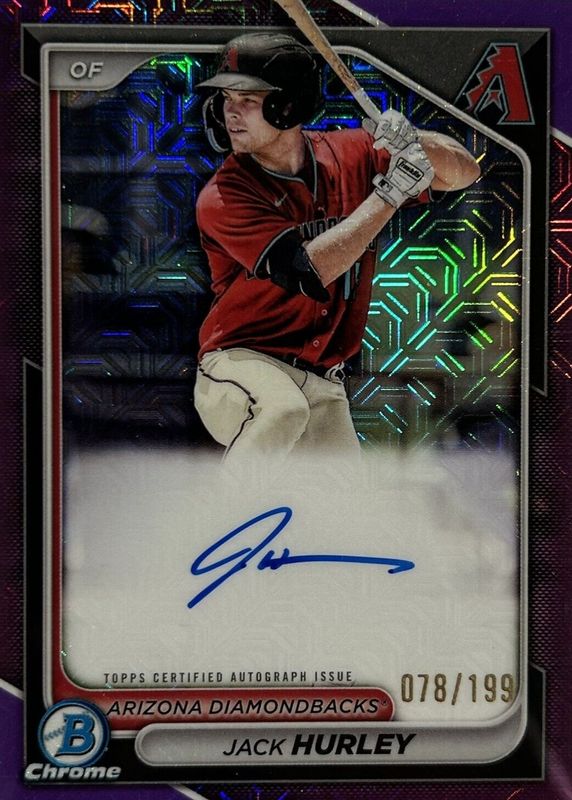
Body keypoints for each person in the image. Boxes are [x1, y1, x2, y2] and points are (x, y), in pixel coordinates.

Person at [193, 32, 480, 472]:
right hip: (238, 365)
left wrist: (413, 142)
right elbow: (310, 270)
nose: (230, 111)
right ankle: (218, 514)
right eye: (226, 99)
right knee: (283, 410)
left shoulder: (349, 153)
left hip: (322, 377)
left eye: (247, 99)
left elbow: (464, 171)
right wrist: (389, 195)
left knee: (343, 501)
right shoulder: (224, 194)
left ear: (287, 106)